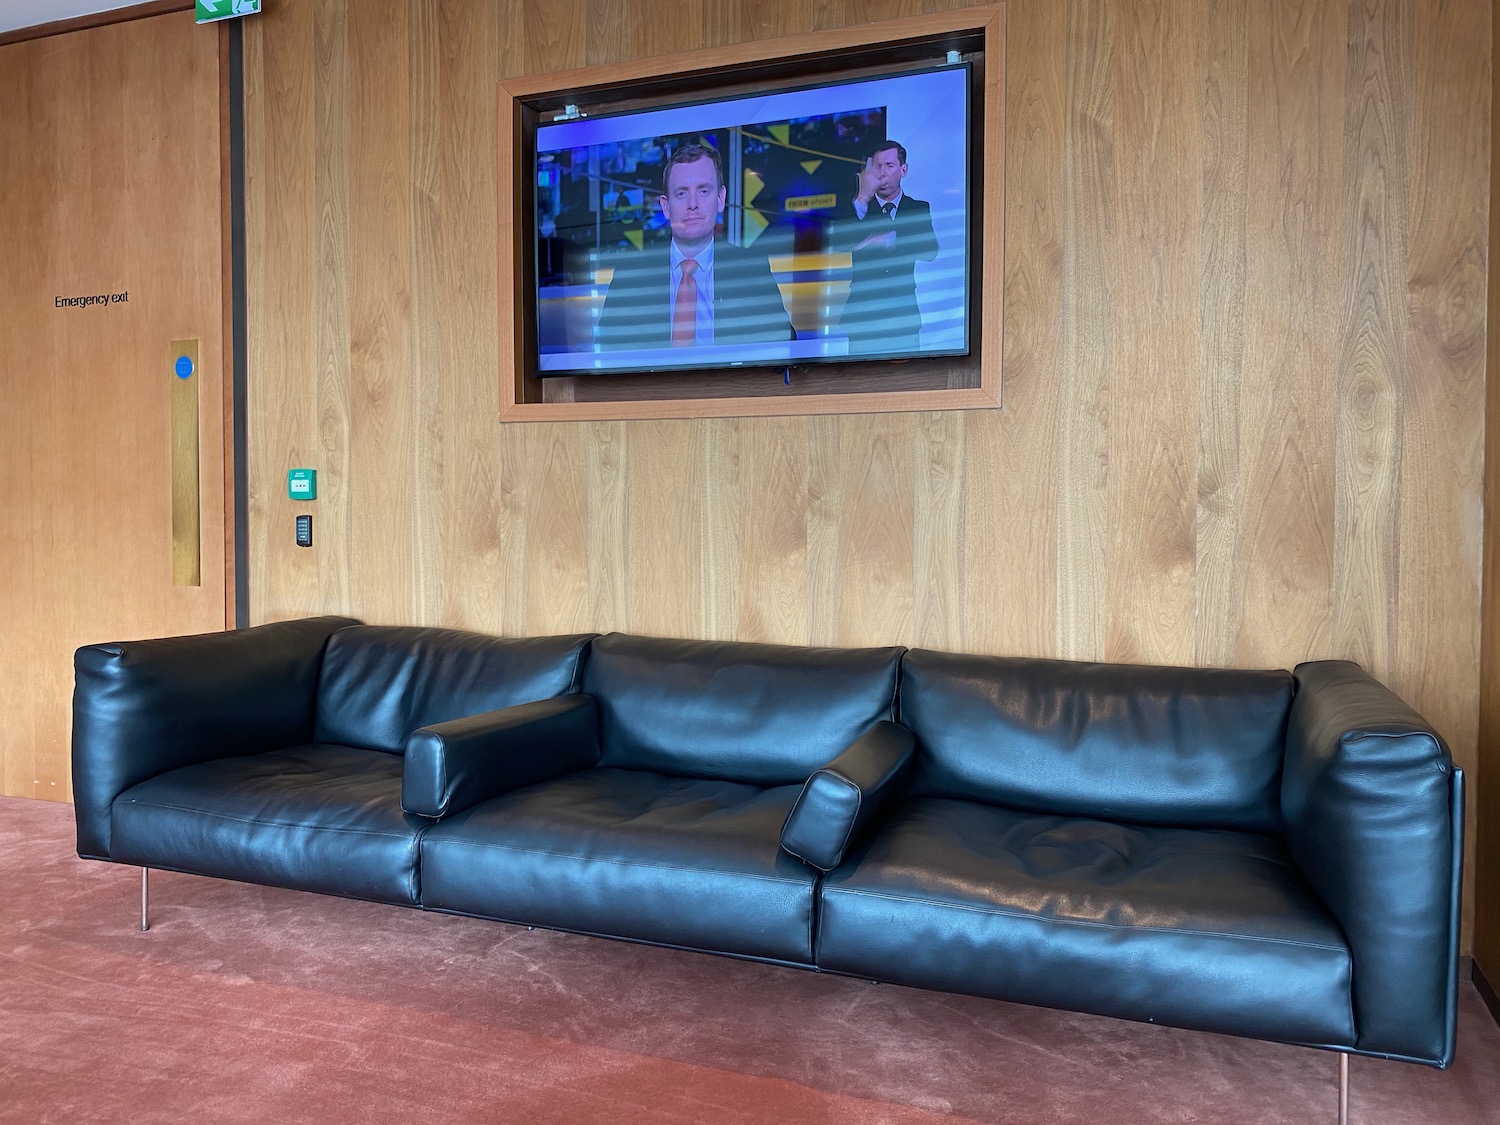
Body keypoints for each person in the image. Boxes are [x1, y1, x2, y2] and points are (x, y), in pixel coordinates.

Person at [595, 143, 793, 350]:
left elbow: (784, 346)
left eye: (703, 191)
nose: (692, 204)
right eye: (681, 193)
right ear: (665, 206)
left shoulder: (749, 269)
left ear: (720, 198)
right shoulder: (631, 276)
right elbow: (605, 352)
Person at [832, 140, 939, 354]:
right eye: (877, 166)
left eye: (889, 166)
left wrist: (889, 239)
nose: (882, 173)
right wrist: (862, 197)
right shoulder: (856, 208)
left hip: (903, 316)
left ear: (903, 169)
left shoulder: (917, 208)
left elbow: (930, 251)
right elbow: (840, 244)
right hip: (862, 318)